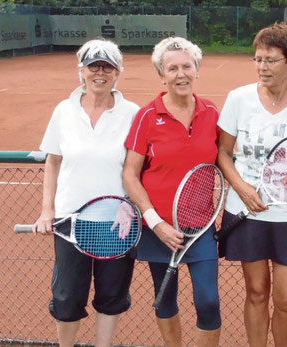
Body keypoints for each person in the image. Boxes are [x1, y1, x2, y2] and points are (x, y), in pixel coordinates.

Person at [217, 22, 287, 347]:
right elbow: (222, 152)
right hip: (247, 210)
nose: (262, 67)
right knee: (257, 291)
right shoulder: (239, 99)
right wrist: (243, 189)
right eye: (258, 59)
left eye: (271, 60)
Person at [32, 38, 140, 347]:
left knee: (111, 296)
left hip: (117, 222)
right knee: (67, 298)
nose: (100, 73)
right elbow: (53, 162)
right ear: (82, 71)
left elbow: (139, 167)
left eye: (107, 67)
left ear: (118, 71)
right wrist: (47, 210)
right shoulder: (63, 111)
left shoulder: (132, 113)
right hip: (70, 222)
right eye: (94, 66)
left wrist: (129, 204)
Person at [122, 37, 221, 347]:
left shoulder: (211, 113)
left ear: (197, 70)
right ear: (162, 75)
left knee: (208, 301)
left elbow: (227, 159)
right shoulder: (146, 116)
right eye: (172, 68)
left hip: (201, 228)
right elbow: (130, 174)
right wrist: (156, 223)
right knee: (164, 299)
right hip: (159, 228)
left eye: (186, 66)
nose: (181, 74)